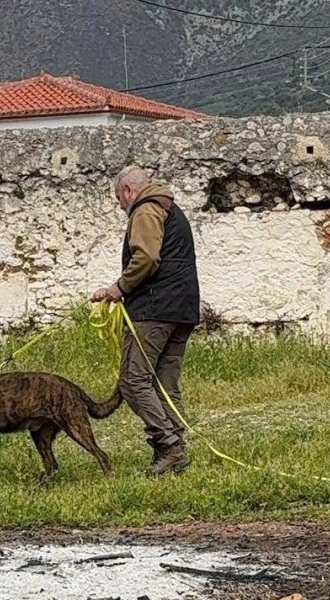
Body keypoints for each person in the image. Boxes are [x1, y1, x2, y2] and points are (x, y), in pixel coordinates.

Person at [91, 165, 201, 477]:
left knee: (133, 380)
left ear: (127, 191)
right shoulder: (169, 207)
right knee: (164, 383)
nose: (120, 205)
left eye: (118, 199)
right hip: (182, 308)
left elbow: (147, 258)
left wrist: (118, 288)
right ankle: (174, 446)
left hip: (154, 308)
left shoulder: (145, 210)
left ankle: (168, 445)